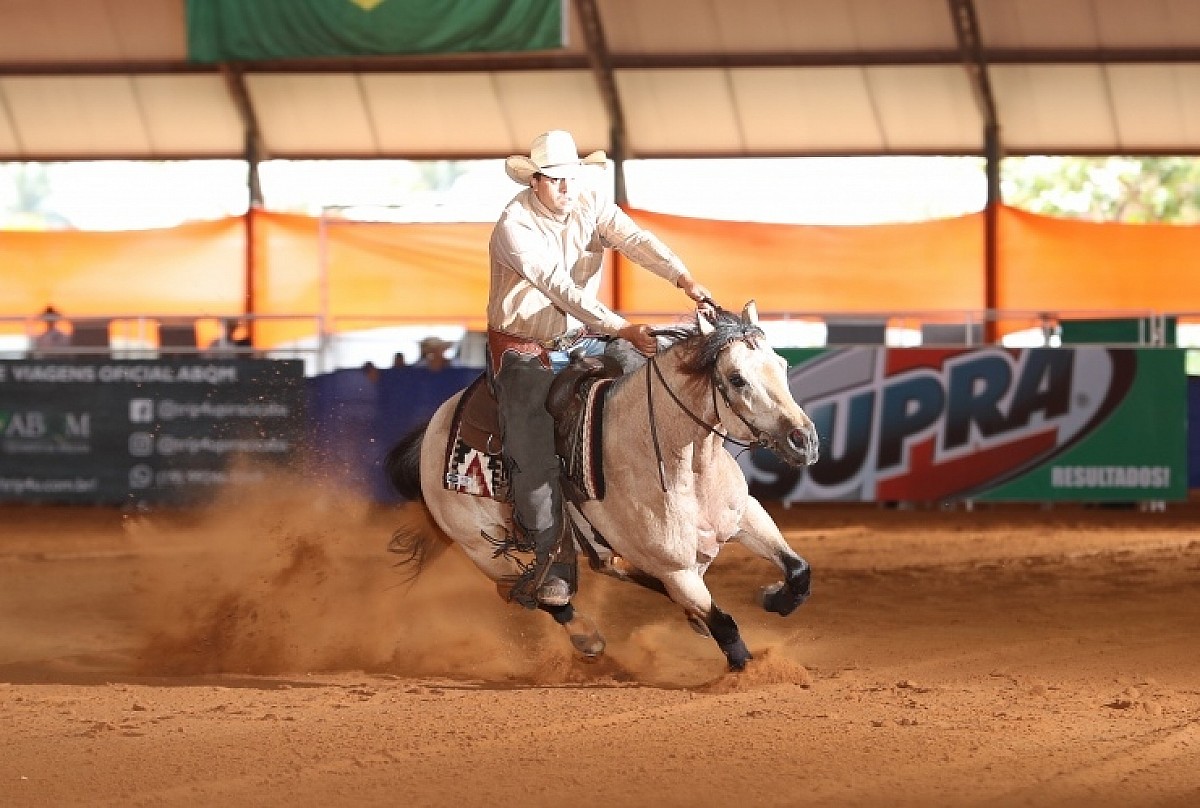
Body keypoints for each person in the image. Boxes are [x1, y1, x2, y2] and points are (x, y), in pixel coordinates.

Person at [488, 130, 712, 608]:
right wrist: (621, 326)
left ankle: (671, 504)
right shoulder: (515, 225)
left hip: (584, 332)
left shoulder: (591, 202)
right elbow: (556, 286)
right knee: (531, 442)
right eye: (555, 181)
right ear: (535, 183)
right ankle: (554, 557)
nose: (567, 188)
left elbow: (635, 240)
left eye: (571, 178)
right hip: (524, 345)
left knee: (648, 387)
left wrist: (684, 278)